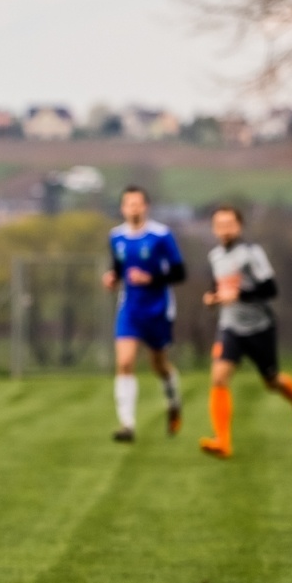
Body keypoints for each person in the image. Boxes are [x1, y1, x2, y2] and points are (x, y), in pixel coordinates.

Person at [199, 205, 292, 458]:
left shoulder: (252, 254)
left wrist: (239, 294)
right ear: (214, 229)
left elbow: (270, 290)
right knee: (218, 377)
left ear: (239, 227)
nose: (225, 230)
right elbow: (218, 287)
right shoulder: (215, 256)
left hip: (259, 328)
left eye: (230, 224)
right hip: (230, 328)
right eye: (220, 225)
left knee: (272, 382)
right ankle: (223, 442)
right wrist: (212, 298)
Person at [102, 186, 188, 442]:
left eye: (138, 204)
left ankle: (173, 401)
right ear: (122, 208)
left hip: (158, 309)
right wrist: (112, 278)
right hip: (130, 308)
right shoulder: (116, 236)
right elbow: (118, 267)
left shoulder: (161, 235)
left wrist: (151, 278)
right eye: (129, 204)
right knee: (125, 362)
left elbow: (180, 273)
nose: (133, 208)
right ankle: (127, 424)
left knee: (159, 365)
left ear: (146, 207)